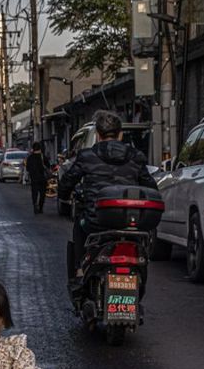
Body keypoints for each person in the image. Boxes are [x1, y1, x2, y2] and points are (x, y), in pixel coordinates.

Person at [57, 110, 157, 279]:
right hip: (129, 224)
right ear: (120, 135)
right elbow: (151, 187)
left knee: (78, 226)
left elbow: (66, 183)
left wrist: (65, 194)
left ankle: (80, 269)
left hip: (94, 223)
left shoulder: (86, 156)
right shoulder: (136, 157)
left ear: (97, 135)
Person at [24, 142, 48, 214]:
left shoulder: (30, 158)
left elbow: (27, 168)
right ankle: (40, 207)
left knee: (34, 193)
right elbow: (48, 166)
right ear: (40, 149)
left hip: (34, 178)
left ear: (33, 149)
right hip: (42, 178)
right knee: (42, 194)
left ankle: (35, 205)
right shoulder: (43, 157)